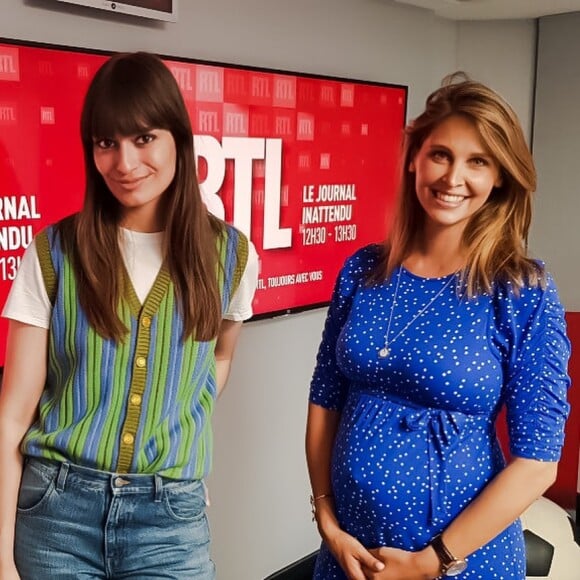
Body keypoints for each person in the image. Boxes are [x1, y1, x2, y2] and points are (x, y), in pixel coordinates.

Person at [0, 51, 258, 579]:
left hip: (169, 520)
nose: (124, 162)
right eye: (106, 143)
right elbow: (12, 414)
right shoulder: (55, 252)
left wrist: (176, 437)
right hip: (56, 513)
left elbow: (219, 358)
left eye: (144, 139)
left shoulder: (232, 256)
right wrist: (0, 557)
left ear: (178, 140)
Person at [305, 73, 571, 580]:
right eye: (441, 154)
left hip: (460, 566)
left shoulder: (521, 290)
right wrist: (326, 517)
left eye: (478, 161)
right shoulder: (363, 270)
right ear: (414, 158)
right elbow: (324, 400)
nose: (453, 177)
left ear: (500, 178)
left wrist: (434, 561)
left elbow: (537, 462)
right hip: (348, 554)